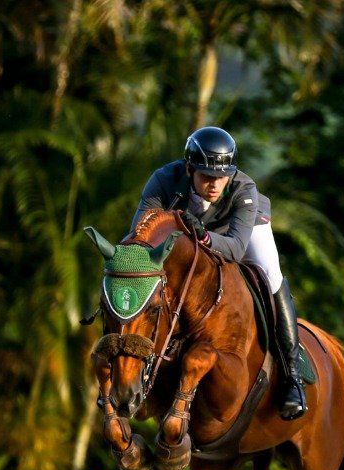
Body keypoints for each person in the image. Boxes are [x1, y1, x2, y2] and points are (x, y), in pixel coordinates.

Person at [131, 126, 306, 420]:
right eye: (206, 176)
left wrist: (204, 237)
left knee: (271, 273)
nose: (214, 184)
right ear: (189, 169)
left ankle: (292, 377)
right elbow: (141, 236)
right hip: (193, 234)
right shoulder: (163, 180)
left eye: (221, 177)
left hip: (242, 231)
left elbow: (237, 248)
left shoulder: (243, 189)